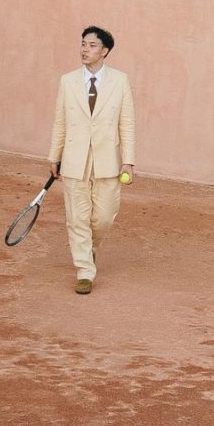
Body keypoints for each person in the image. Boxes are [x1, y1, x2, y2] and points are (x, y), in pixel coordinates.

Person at [47, 26, 135, 295]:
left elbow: (127, 123)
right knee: (77, 218)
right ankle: (85, 270)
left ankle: (90, 249)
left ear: (104, 51)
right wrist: (54, 156)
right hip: (74, 159)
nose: (85, 49)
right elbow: (60, 122)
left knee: (103, 217)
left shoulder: (120, 81)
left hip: (108, 161)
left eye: (92, 45)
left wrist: (128, 161)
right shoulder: (68, 81)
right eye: (83, 44)